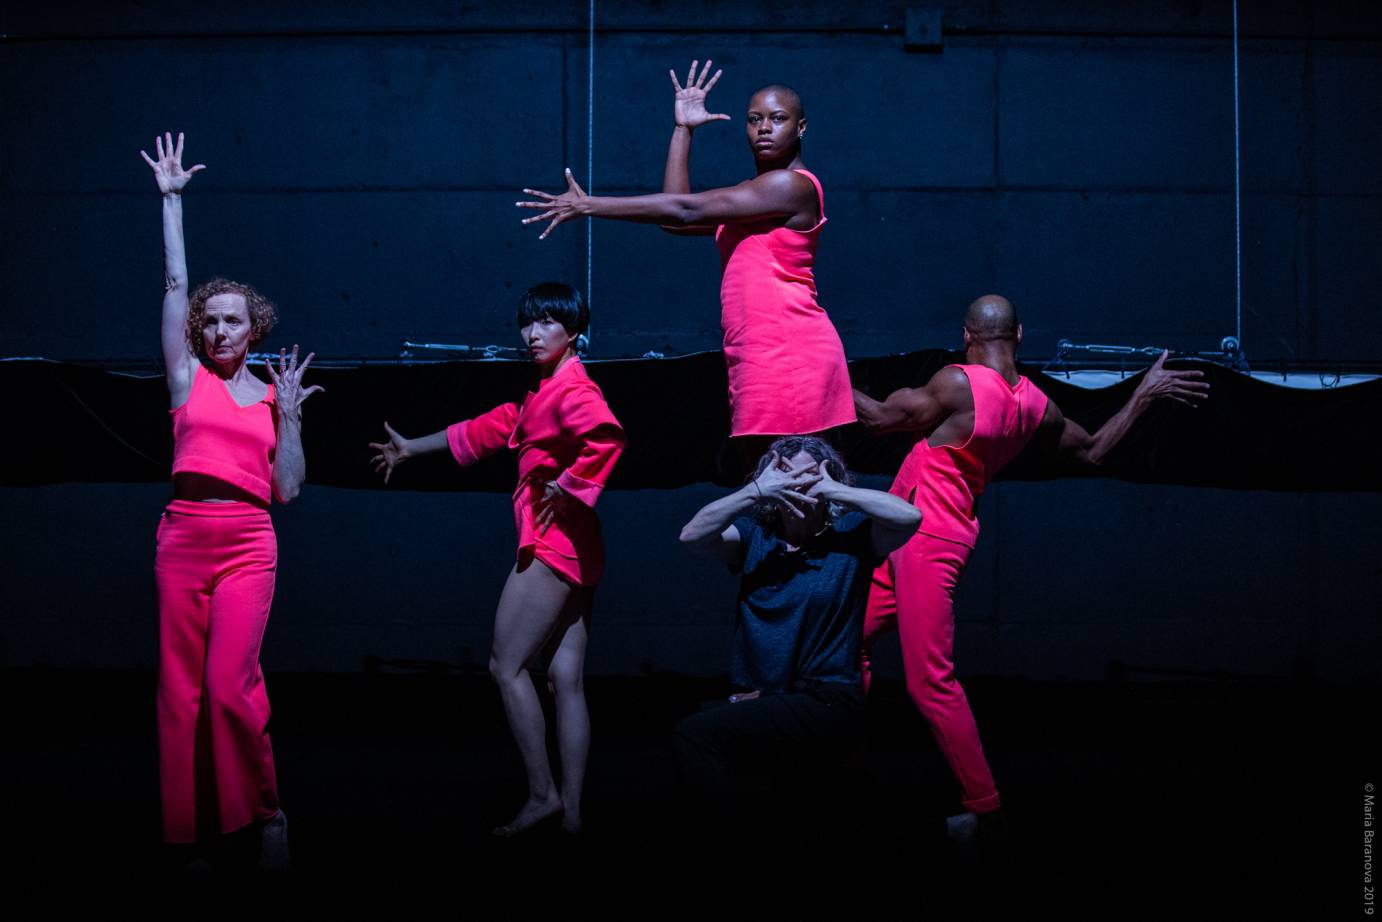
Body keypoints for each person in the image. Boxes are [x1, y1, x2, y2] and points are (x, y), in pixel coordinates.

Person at [852, 294, 1210, 837]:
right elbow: (1092, 450)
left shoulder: (957, 383)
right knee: (845, 639)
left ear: (966, 337)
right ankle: (827, 754)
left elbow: (878, 419)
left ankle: (984, 809)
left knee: (930, 683)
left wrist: (814, 365)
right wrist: (1142, 395)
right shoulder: (1034, 405)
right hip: (914, 535)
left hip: (925, 538)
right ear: (1019, 337)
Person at [370, 282, 624, 836]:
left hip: (555, 544)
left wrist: (570, 482)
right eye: (527, 324)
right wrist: (413, 447)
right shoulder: (543, 392)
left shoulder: (573, 390)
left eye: (547, 324)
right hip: (579, 547)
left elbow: (606, 438)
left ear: (573, 331)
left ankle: (542, 796)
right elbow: (492, 427)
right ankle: (574, 814)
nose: (532, 335)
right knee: (565, 680)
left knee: (505, 667)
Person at [516, 61, 854, 460]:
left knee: (796, 489)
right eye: (754, 119)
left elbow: (684, 210)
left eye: (778, 118)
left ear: (801, 128)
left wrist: (590, 204)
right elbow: (674, 222)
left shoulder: (790, 186)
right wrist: (683, 130)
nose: (764, 127)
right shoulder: (753, 197)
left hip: (791, 351)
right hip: (757, 352)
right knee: (769, 489)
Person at [142, 132, 321, 868]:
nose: (218, 329)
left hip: (249, 542)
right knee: (179, 690)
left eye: (232, 321)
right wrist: (173, 200)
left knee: (227, 689)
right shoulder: (188, 381)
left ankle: (266, 814)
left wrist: (292, 417)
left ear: (255, 330)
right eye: (209, 321)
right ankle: (186, 833)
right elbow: (173, 284)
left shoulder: (267, 395)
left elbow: (288, 490)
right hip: (184, 537)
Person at [674, 436, 921, 817]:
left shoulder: (851, 537)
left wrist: (835, 488)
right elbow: (692, 535)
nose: (795, 485)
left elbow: (909, 517)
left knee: (697, 736)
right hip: (763, 695)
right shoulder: (755, 537)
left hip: (827, 698)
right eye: (784, 475)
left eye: (806, 475)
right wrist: (754, 491)